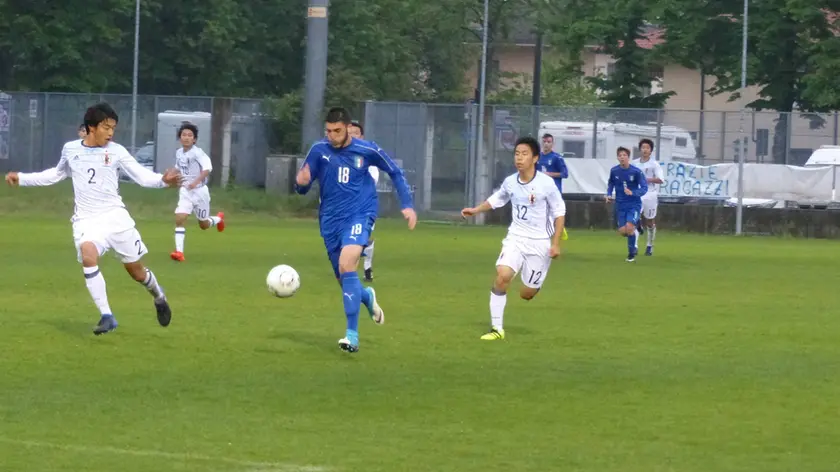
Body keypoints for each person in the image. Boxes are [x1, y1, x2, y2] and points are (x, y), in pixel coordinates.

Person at [4, 102, 180, 334]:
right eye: (106, 127)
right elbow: (55, 175)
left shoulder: (116, 151)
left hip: (116, 219)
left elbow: (142, 176)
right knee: (88, 255)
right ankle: (107, 316)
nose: (111, 132)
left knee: (136, 272)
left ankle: (158, 296)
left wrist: (162, 181)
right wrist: (23, 178)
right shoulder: (70, 150)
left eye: (113, 128)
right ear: (91, 127)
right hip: (87, 220)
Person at [294, 107, 417, 353]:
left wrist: (407, 205)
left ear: (348, 128)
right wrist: (301, 183)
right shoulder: (318, 150)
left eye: (337, 130)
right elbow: (303, 186)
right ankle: (367, 297)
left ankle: (352, 336)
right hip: (329, 221)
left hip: (360, 214)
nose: (332, 135)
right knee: (344, 279)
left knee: (347, 263)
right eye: (328, 131)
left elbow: (395, 171)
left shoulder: (367, 149)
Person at [461, 136, 566, 341]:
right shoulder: (510, 182)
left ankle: (534, 281)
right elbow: (498, 199)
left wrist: (555, 244)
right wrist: (475, 210)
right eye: (517, 153)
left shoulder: (546, 184)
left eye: (524, 154)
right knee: (502, 275)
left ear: (535, 158)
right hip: (515, 238)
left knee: (526, 294)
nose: (519, 158)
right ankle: (497, 329)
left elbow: (559, 212)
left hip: (540, 243)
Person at [170, 122, 225, 262]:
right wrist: (168, 177)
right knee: (179, 218)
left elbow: (207, 169)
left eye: (190, 135)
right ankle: (179, 252)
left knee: (204, 225)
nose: (186, 137)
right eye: (184, 135)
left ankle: (218, 219)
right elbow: (178, 167)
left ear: (194, 139)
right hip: (185, 192)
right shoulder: (179, 153)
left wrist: (195, 182)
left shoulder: (198, 153)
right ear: (179, 137)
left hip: (200, 192)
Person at [347, 120, 379, 282]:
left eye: (356, 133)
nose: (352, 136)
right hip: (343, 207)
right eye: (349, 133)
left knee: (363, 240)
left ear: (362, 136)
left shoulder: (368, 158)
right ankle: (349, 269)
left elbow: (371, 181)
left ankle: (366, 267)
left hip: (364, 207)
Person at [606, 146, 648, 262]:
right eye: (620, 155)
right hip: (620, 205)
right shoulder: (614, 171)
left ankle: (631, 254)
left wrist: (633, 192)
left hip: (633, 204)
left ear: (628, 157)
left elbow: (644, 188)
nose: (622, 157)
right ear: (618, 158)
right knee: (623, 232)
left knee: (629, 229)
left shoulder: (636, 172)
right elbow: (611, 183)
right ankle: (638, 223)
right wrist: (609, 194)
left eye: (624, 155)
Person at [631, 138, 664, 256]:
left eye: (647, 148)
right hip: (637, 194)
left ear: (651, 150)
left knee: (650, 222)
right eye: (643, 147)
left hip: (650, 194)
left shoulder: (654, 164)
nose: (645, 150)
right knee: (633, 219)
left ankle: (650, 245)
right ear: (640, 149)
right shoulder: (634, 163)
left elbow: (660, 179)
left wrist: (646, 179)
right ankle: (634, 246)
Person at [537, 133, 570, 241]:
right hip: (540, 190)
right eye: (544, 142)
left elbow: (565, 174)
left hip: (554, 191)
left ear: (552, 144)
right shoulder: (537, 157)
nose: (546, 144)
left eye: (549, 142)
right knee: (541, 215)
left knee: (552, 215)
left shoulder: (557, 158)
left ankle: (558, 229)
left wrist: (550, 174)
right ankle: (554, 232)